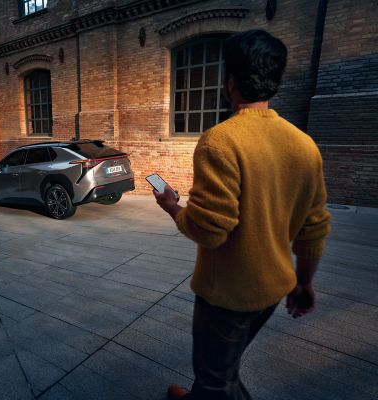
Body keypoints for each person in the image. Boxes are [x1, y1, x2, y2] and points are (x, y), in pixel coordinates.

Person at [153, 29, 331, 400]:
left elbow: (210, 230)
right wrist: (305, 283)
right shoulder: (305, 145)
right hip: (273, 287)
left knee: (215, 381)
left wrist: (173, 208)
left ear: (230, 81)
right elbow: (313, 227)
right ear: (276, 80)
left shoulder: (220, 140)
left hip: (228, 296)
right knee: (225, 366)